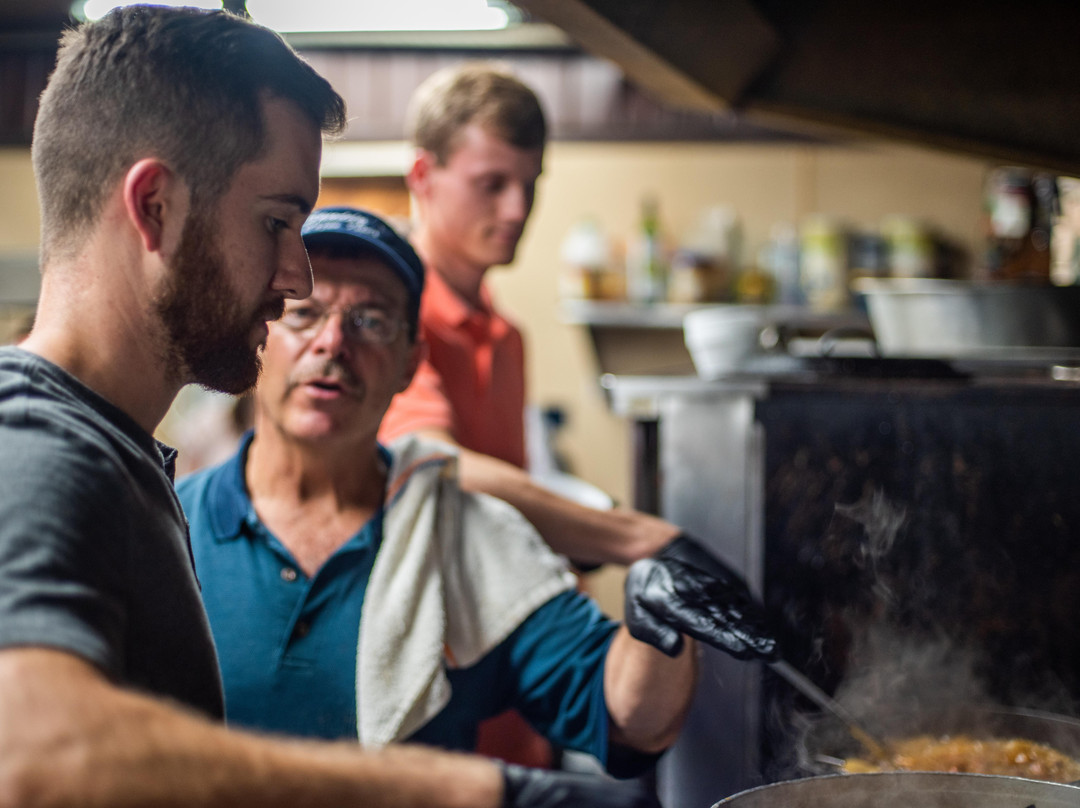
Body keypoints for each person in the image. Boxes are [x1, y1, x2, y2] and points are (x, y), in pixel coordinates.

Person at [0, 8, 664, 807]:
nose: (297, 279)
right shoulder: (33, 443)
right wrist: (456, 791)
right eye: (278, 222)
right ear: (156, 207)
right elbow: (29, 755)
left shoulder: (122, 456)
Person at [177, 207, 704, 778]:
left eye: (371, 320)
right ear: (260, 334)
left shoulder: (460, 536)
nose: (333, 342)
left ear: (411, 363)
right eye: (304, 313)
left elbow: (627, 717)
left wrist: (658, 624)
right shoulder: (173, 524)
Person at [379, 62, 779, 765]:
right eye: (491, 184)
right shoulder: (394, 322)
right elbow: (440, 471)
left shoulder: (505, 337)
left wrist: (580, 539)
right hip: (432, 698)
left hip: (518, 679)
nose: (515, 211)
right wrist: (643, 538)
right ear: (422, 175)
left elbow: (499, 512)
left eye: (529, 186)